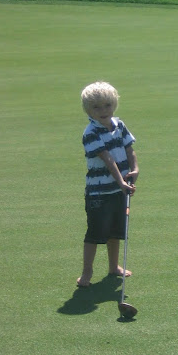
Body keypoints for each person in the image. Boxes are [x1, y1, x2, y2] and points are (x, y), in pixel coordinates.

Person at [77, 82, 139, 287]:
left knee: (115, 231)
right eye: (96, 107)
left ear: (114, 105)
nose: (103, 111)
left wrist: (135, 169)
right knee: (95, 232)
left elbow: (129, 148)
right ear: (87, 109)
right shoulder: (91, 132)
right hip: (99, 192)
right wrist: (121, 181)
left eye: (107, 105)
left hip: (118, 190)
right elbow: (107, 159)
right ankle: (87, 272)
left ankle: (114, 267)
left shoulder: (119, 125)